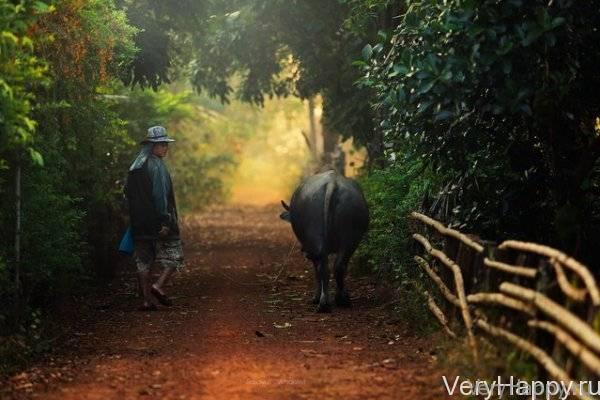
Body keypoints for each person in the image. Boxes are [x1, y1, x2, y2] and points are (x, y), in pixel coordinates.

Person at [125, 126, 184, 311]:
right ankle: (158, 286)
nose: (165, 147)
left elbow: (126, 193)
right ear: (152, 145)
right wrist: (165, 220)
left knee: (143, 261)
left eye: (166, 144)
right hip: (159, 222)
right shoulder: (156, 165)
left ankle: (145, 300)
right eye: (161, 144)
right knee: (175, 255)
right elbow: (160, 197)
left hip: (139, 222)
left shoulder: (135, 165)